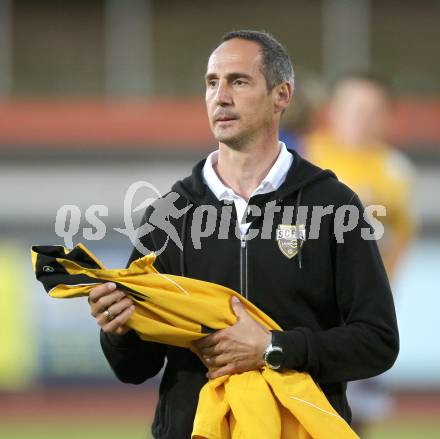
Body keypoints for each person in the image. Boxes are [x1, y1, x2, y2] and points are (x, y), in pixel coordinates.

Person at [88, 31, 399, 439]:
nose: (221, 96)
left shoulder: (334, 205)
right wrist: (118, 329)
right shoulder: (168, 215)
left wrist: (274, 347)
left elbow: (377, 341)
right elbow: (135, 368)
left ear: (281, 95)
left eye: (238, 81)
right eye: (212, 82)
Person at [305, 73, 415, 434]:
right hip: (306, 312)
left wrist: (381, 296)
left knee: (356, 418)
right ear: (332, 112)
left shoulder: (396, 171)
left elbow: (400, 238)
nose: (362, 120)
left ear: (387, 117)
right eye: (355, 109)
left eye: (373, 111)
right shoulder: (301, 157)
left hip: (361, 314)